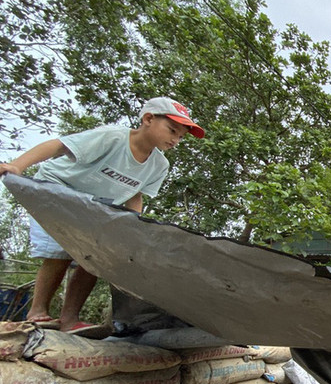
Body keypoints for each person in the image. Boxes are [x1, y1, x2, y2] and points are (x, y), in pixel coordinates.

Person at [0, 97, 204, 336]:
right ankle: (37, 312)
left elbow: (135, 194)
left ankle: (69, 319)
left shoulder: (159, 165)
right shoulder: (113, 138)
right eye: (172, 130)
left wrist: (132, 225)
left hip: (93, 207)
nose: (175, 140)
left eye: (181, 137)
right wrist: (17, 165)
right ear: (148, 119)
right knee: (59, 252)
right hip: (57, 190)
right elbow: (58, 146)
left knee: (96, 257)